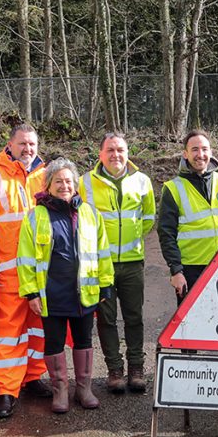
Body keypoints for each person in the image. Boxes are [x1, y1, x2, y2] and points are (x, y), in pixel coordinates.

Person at [18, 158, 114, 412]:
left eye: (68, 181)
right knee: (54, 342)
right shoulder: (36, 216)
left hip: (84, 292)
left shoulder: (90, 213)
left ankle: (84, 388)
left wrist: (105, 285)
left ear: (76, 184)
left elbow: (102, 252)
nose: (64, 186)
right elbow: (25, 257)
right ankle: (60, 390)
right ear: (48, 185)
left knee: (83, 340)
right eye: (58, 181)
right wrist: (31, 292)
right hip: (52, 292)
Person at [0, 123, 48, 418]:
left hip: (41, 272)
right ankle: (6, 389)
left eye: (32, 144)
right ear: (9, 144)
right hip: (8, 272)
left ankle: (32, 377)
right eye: (22, 144)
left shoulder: (46, 175)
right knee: (8, 331)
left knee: (38, 329)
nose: (28, 149)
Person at [79, 132, 155, 394]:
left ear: (127, 153)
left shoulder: (142, 181)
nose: (116, 155)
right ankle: (114, 369)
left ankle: (136, 367)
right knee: (107, 319)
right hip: (102, 264)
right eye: (110, 150)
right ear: (100, 154)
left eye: (120, 150)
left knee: (134, 316)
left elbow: (148, 218)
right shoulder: (85, 182)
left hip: (133, 262)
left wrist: (132, 241)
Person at [158, 129, 218, 302]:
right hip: (191, 269)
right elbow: (166, 233)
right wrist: (176, 271)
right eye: (195, 149)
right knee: (192, 326)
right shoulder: (173, 188)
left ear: (211, 152)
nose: (201, 154)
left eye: (205, 149)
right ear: (185, 154)